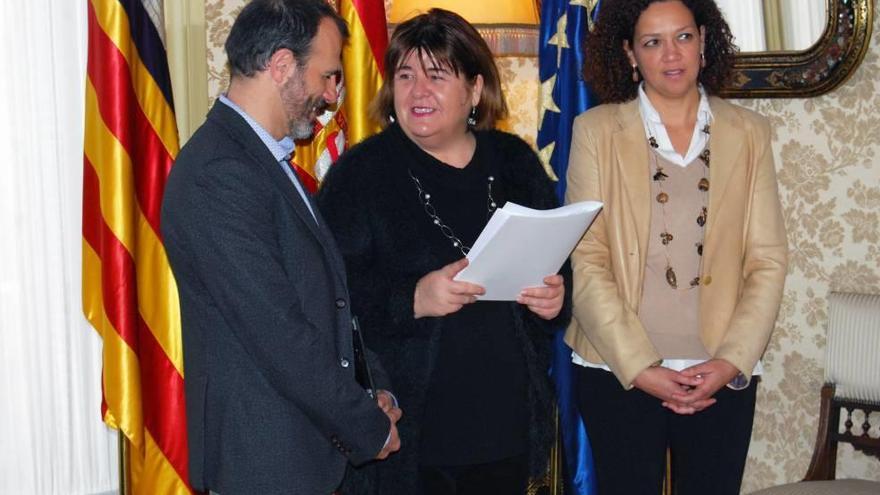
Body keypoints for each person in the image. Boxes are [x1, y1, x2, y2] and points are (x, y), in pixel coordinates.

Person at [317, 8, 569, 495]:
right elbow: (326, 299)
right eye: (405, 76)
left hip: (507, 429)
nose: (417, 92)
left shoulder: (515, 161)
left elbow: (560, 271)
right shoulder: (360, 174)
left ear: (475, 89)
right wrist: (411, 298)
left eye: (436, 76)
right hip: (409, 442)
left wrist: (555, 300)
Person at [160, 1, 401, 493]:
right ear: (283, 65)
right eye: (328, 76)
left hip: (304, 456)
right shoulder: (218, 174)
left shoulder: (263, 162)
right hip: (266, 465)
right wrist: (367, 425)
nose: (334, 96)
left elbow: (329, 302)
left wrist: (372, 390)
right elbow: (280, 333)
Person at [564, 1, 788, 494]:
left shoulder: (750, 133)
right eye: (652, 42)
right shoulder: (596, 132)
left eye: (683, 37)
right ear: (629, 54)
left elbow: (767, 261)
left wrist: (731, 361)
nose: (671, 54)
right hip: (618, 369)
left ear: (704, 42)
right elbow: (586, 259)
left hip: (720, 370)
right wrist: (642, 367)